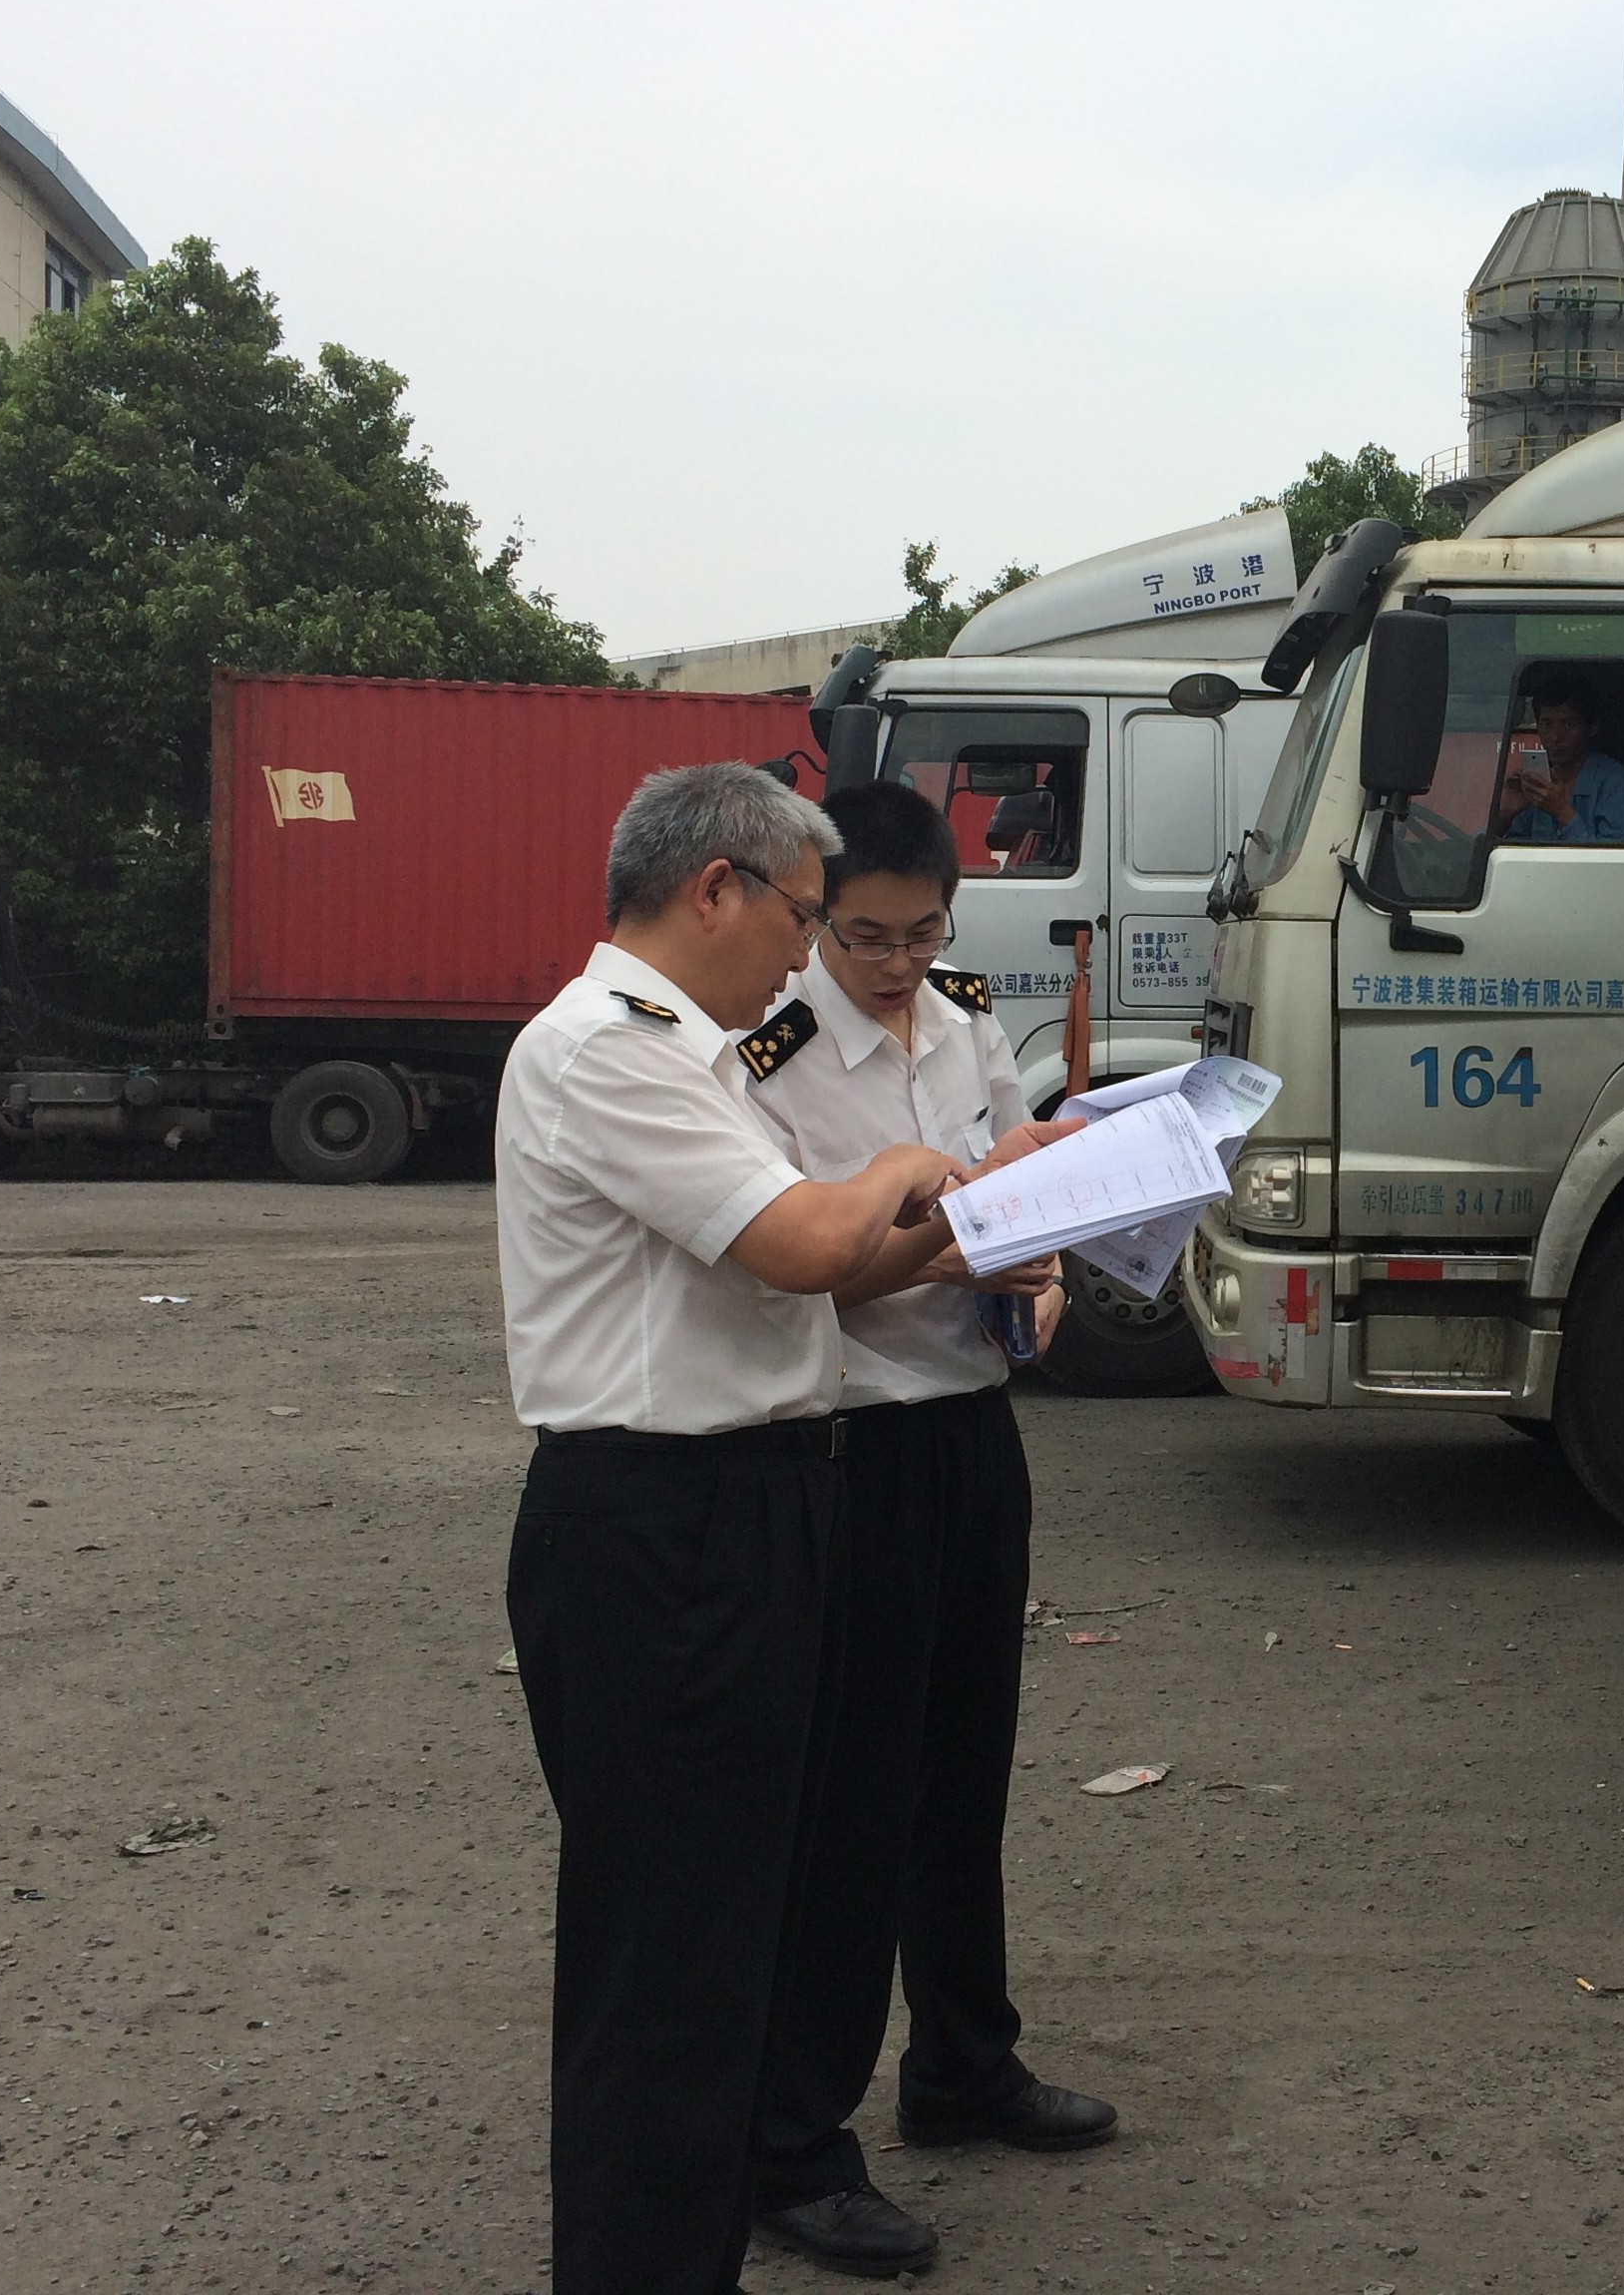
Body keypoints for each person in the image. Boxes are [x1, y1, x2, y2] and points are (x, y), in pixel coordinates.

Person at [495, 760, 970, 2295]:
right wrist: (902, 1169)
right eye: (804, 917)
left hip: (748, 1509)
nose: (805, 953)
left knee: (731, 1936)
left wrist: (983, 1218)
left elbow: (826, 1274)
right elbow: (812, 1241)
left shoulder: (690, 1058)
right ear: (718, 889)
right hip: (664, 1525)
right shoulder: (609, 1050)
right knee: (668, 1967)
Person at [743, 780, 1114, 2280]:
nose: (898, 965)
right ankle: (794, 2145)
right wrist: (953, 1246)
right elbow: (789, 1270)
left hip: (971, 1433)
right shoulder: (767, 1057)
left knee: (966, 1771)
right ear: (816, 919)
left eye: (923, 935)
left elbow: (1024, 1175)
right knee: (855, 1803)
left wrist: (1042, 1274)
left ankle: (963, 2063)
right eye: (867, 938)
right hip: (854, 1446)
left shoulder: (964, 1020)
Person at [1492, 672, 1624, 843]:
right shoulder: (1538, 785)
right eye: (1546, 724)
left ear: (1592, 727)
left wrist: (1562, 812)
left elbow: (1615, 857)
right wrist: (1505, 814)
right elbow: (1492, 849)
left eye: (1568, 725)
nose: (1555, 737)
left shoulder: (1614, 782)